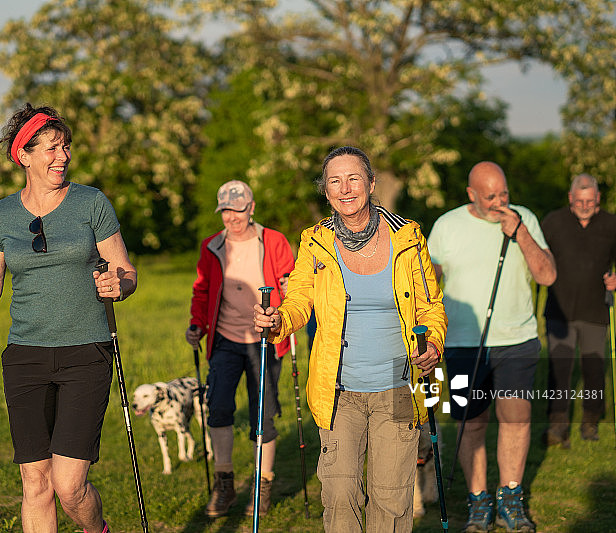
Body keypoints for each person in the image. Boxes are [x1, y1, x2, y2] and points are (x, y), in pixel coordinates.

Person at [0, 103, 137, 533]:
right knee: (35, 482)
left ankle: (97, 529)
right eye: (52, 148)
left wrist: (119, 285)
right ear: (25, 156)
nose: (63, 156)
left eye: (66, 146)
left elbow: (125, 272)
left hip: (85, 352)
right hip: (26, 357)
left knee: (69, 486)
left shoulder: (92, 203)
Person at [253, 146, 447, 533]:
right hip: (338, 387)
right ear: (326, 192)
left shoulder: (408, 238)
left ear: (371, 184)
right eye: (334, 181)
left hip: (398, 381)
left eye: (354, 178)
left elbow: (431, 307)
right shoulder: (314, 242)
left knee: (391, 499)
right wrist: (276, 321)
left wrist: (433, 346)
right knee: (340, 496)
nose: (345, 189)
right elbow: (298, 302)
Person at [427, 161, 556, 533]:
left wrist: (520, 233)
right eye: (490, 196)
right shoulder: (448, 226)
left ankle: (511, 500)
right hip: (464, 344)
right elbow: (428, 277)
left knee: (516, 419)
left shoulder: (524, 218)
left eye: (504, 193)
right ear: (471, 194)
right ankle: (479, 501)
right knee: (472, 424)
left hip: (517, 340)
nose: (500, 201)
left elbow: (547, 275)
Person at [186, 179, 295, 518]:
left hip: (266, 341)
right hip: (224, 341)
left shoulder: (273, 241)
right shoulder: (212, 246)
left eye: (238, 209)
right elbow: (202, 291)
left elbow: (292, 286)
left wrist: (284, 312)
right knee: (218, 408)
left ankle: (262, 487)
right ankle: (225, 482)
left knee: (263, 415)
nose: (232, 217)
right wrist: (197, 324)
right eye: (226, 211)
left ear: (252, 208)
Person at [541, 174, 616, 446]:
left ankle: (590, 423)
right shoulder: (553, 222)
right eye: (580, 200)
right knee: (559, 370)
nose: (585, 205)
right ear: (571, 198)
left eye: (590, 200)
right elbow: (536, 255)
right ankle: (557, 426)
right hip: (559, 312)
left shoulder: (611, 223)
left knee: (594, 370)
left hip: (596, 311)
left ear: (598, 199)